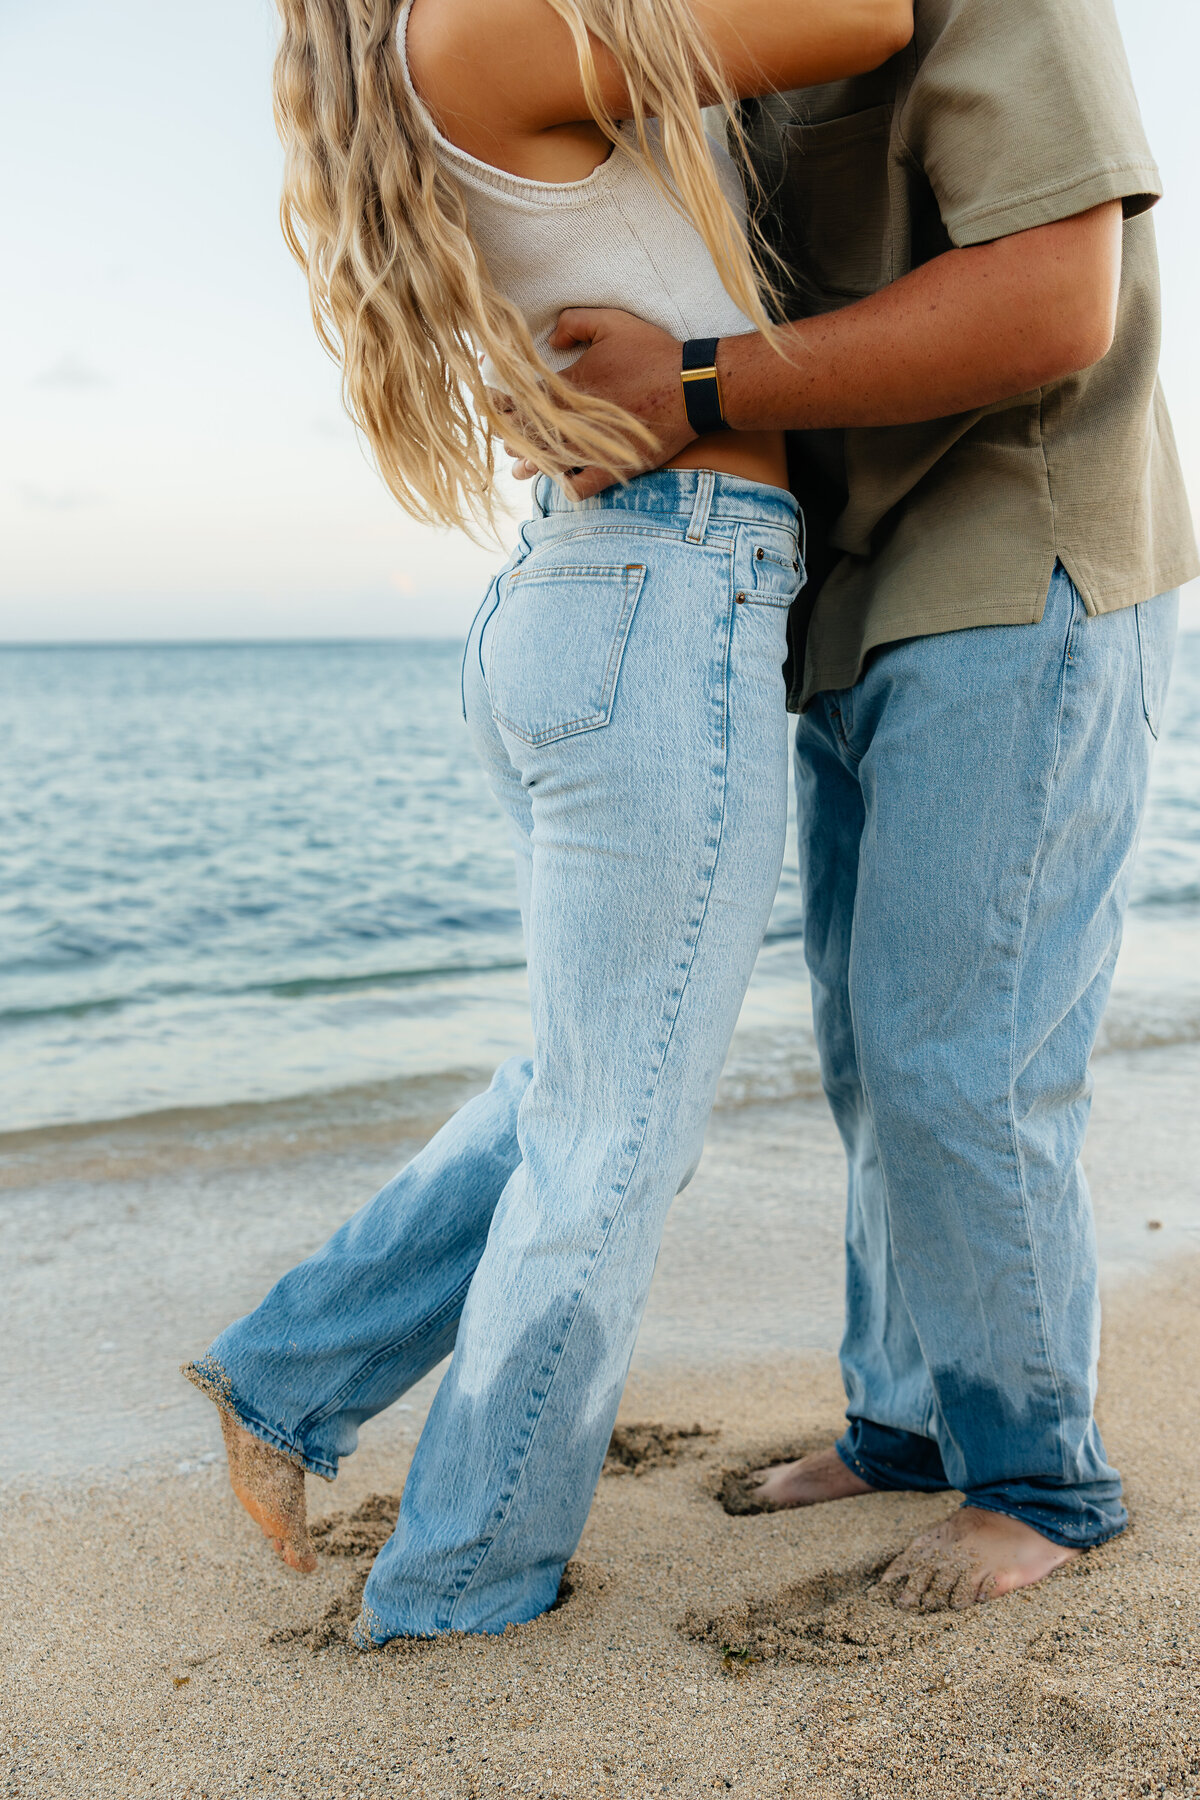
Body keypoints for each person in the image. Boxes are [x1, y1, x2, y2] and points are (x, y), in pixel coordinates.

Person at [182, 0, 913, 1641]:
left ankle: (289, 1371)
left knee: (594, 1094)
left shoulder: (460, 49)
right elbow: (868, 11)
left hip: (626, 590)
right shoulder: (487, 32)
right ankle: (458, 1587)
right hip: (666, 591)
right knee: (613, 1135)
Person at [510, 0, 1199, 1608]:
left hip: (1014, 544)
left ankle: (1042, 1481)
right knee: (872, 1048)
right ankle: (906, 1423)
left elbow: (1053, 303)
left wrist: (686, 380)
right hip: (841, 585)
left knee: (962, 1046)